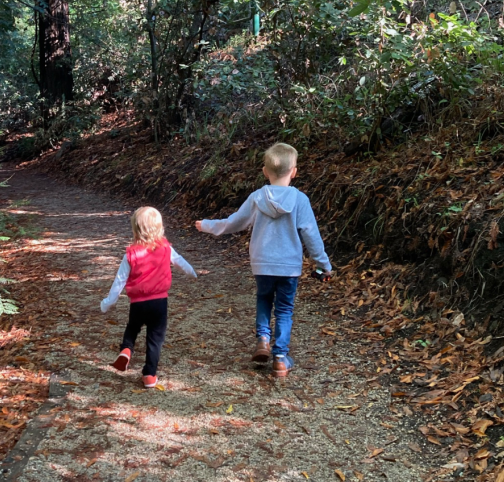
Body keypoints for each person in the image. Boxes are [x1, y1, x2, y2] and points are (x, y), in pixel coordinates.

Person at [195, 143, 332, 378]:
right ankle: (280, 358)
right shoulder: (300, 200)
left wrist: (207, 225)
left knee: (264, 299)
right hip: (289, 267)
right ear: (294, 172)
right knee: (285, 309)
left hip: (262, 263)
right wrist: (323, 265)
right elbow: (312, 235)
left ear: (265, 172)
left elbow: (235, 222)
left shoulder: (257, 197)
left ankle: (263, 339)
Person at [101, 206, 198, 388]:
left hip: (138, 303)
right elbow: (181, 263)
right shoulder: (166, 249)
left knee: (132, 328)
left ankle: (126, 350)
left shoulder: (130, 254)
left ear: (135, 230)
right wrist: (192, 273)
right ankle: (149, 375)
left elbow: (119, 281)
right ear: (160, 228)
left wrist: (107, 303)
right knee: (155, 339)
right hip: (159, 303)